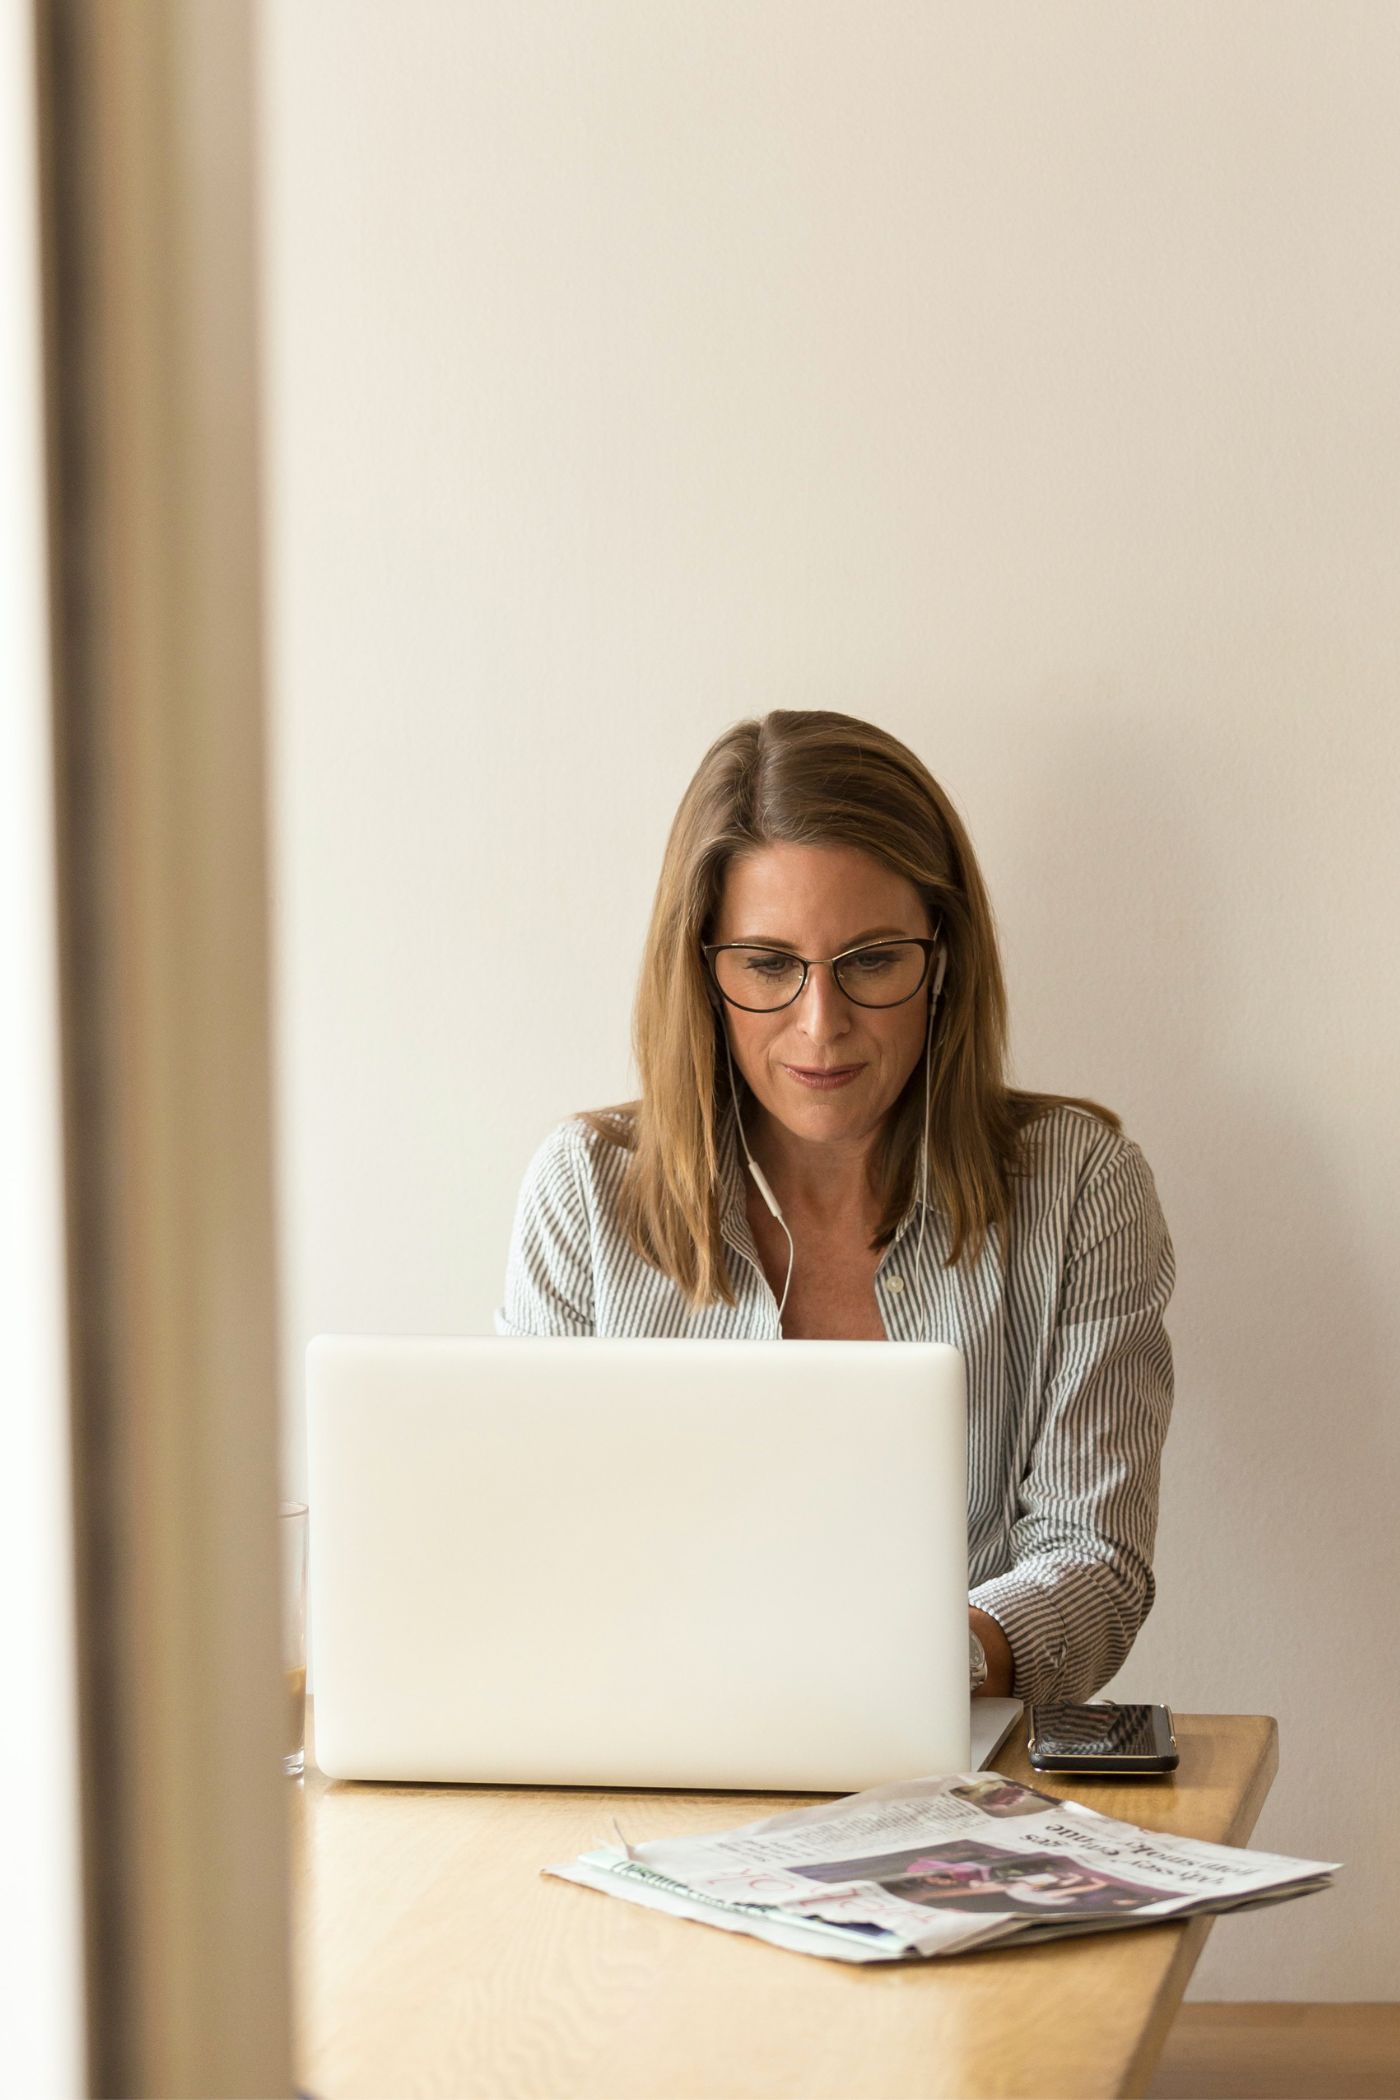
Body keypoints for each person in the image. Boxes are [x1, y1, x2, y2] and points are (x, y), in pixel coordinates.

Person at [494, 709, 1175, 1704]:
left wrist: (917, 1667)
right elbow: (530, 1548)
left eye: (871, 961)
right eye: (769, 965)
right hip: (652, 1750)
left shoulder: (1079, 1187)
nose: (822, 1026)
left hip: (955, 1762)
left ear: (942, 959)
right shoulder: (584, 1192)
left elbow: (1094, 1560)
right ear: (701, 971)